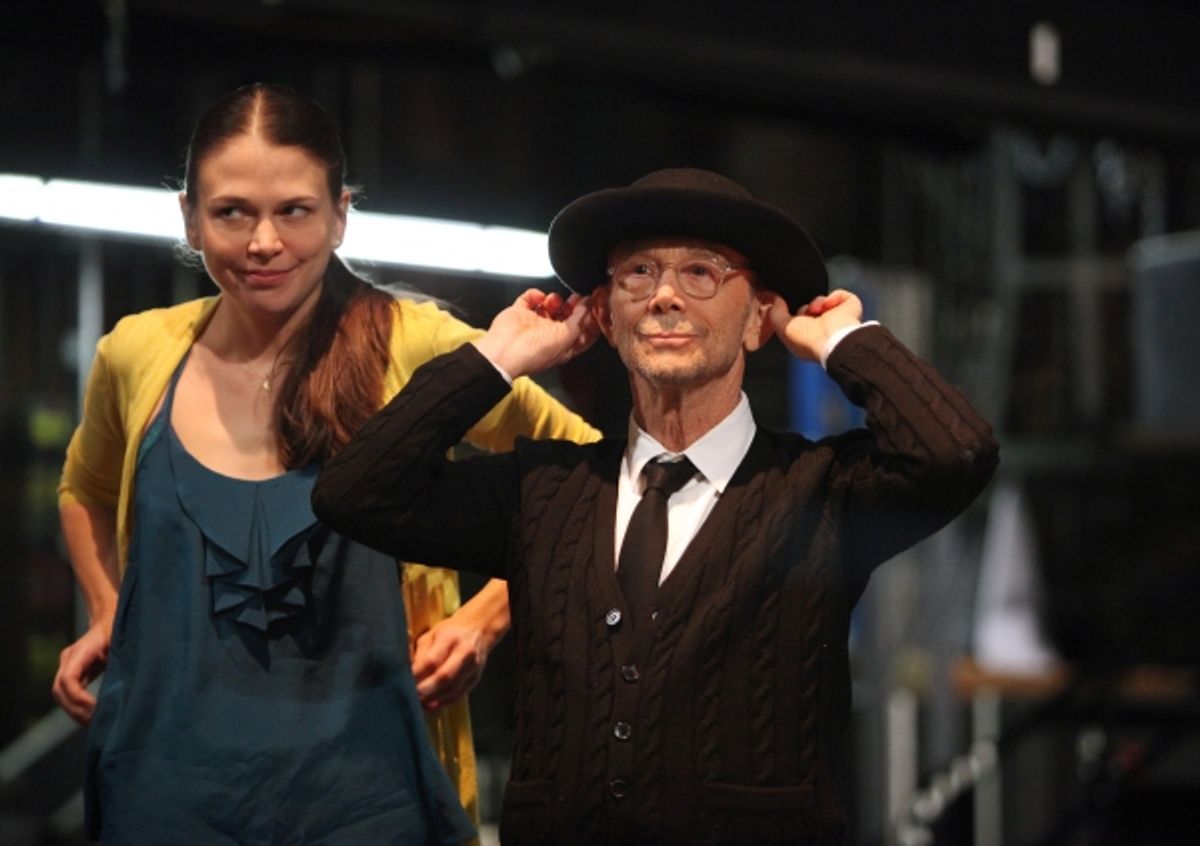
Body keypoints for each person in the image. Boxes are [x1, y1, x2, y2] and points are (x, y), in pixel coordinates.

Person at [313, 167, 1000, 845]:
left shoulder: (820, 492)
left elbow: (956, 453)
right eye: (637, 274)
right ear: (607, 318)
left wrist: (844, 345)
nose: (665, 295)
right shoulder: (545, 490)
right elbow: (357, 492)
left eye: (701, 272)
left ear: (761, 315)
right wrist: (496, 358)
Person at [52, 82, 599, 845]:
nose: (263, 242)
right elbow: (85, 487)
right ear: (189, 217)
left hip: (367, 797)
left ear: (341, 214)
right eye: (232, 211)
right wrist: (111, 608)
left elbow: (595, 482)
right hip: (162, 789)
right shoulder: (138, 352)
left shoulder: (416, 345)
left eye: (295, 211)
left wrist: (484, 619)